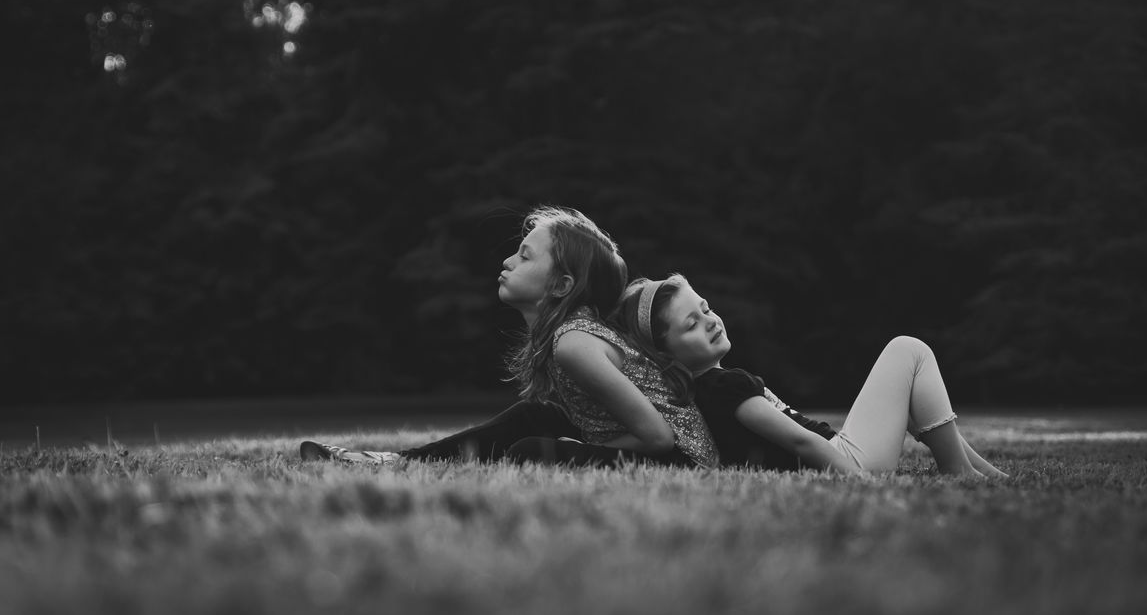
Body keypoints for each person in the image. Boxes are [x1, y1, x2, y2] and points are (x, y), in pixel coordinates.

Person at [300, 207, 718, 469]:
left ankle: (393, 462)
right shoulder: (571, 337)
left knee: (532, 450)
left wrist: (578, 445)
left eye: (524, 255)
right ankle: (395, 461)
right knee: (532, 416)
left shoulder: (575, 343)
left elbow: (660, 439)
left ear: (561, 285)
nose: (506, 261)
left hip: (683, 460)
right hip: (655, 446)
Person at [613, 273, 1006, 478]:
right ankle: (959, 469)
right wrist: (861, 483)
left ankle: (980, 470)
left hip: (843, 452)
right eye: (692, 324)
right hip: (846, 459)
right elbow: (800, 441)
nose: (711, 321)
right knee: (908, 351)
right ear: (666, 354)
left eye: (706, 308)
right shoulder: (725, 388)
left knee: (909, 379)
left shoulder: (706, 393)